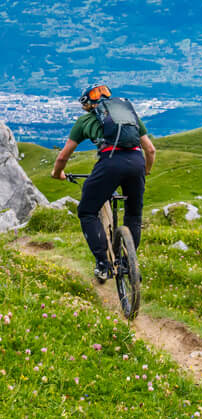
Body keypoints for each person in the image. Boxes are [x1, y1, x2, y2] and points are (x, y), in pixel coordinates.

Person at [51, 84, 156, 281]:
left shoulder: (85, 121)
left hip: (110, 163)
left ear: (87, 105)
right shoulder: (129, 116)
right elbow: (150, 150)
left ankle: (102, 264)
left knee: (87, 211)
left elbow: (62, 157)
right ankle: (129, 263)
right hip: (136, 162)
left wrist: (58, 174)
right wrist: (146, 170)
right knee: (133, 214)